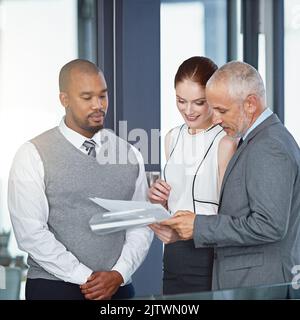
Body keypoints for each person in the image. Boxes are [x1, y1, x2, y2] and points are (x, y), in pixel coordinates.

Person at [8, 59, 153, 300]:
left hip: (118, 288)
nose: (98, 105)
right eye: (87, 98)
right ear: (64, 99)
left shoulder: (130, 154)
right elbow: (31, 233)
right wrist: (87, 278)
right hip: (53, 289)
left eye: (103, 96)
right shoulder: (33, 154)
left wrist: (118, 274)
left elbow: (140, 224)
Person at [161, 61, 300, 291]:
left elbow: (269, 226)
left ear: (250, 104)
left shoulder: (269, 146)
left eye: (222, 111)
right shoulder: (260, 140)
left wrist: (198, 226)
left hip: (260, 284)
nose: (214, 119)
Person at [148, 56, 237, 294]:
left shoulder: (226, 142)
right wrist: (160, 199)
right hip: (174, 254)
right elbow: (179, 199)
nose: (188, 110)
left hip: (210, 255)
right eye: (181, 101)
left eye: (199, 102)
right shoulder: (172, 138)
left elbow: (230, 210)